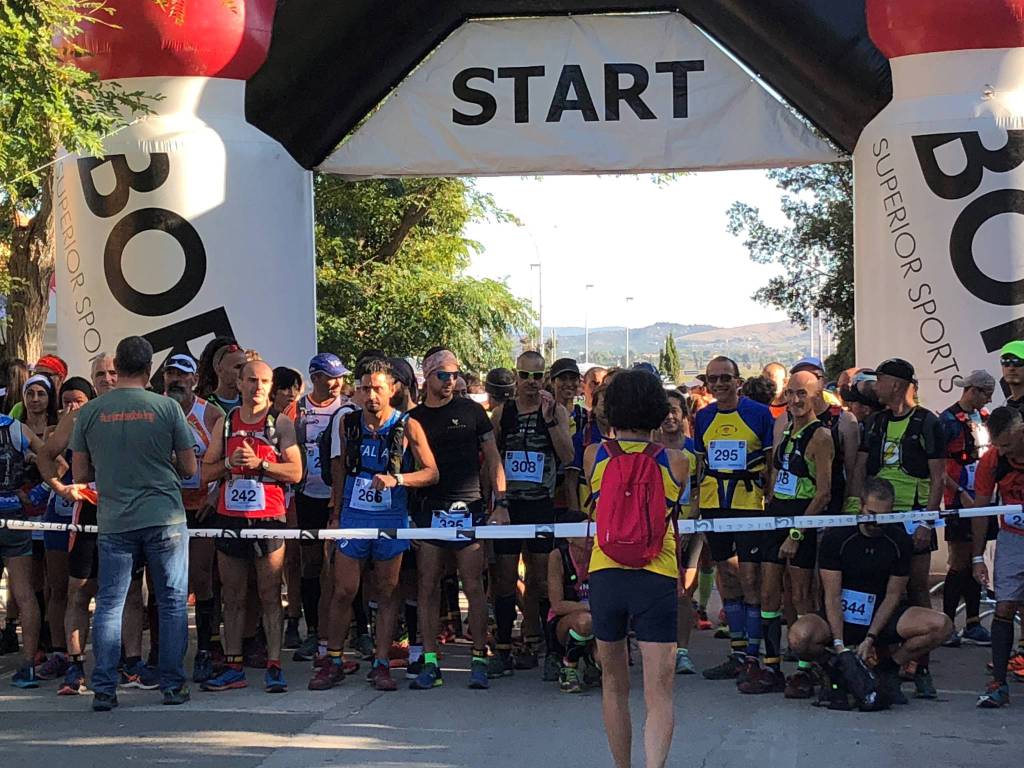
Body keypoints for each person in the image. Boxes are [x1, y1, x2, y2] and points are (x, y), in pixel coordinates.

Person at [70, 336, 197, 710]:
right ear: (148, 368)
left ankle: (104, 689)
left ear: (118, 367)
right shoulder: (168, 408)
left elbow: (80, 473)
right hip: (165, 516)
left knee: (109, 603)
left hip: (115, 519)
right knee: (172, 602)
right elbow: (190, 469)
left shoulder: (90, 412)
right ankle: (173, 685)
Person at [313, 358, 438, 692]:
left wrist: (397, 479)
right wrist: (335, 511)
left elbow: (431, 472)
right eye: (366, 388)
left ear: (392, 390)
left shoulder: (408, 425)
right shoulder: (348, 423)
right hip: (353, 516)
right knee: (343, 589)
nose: (371, 395)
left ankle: (381, 663)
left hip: (390, 517)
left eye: (378, 389)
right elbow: (339, 468)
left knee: (386, 591)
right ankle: (335, 659)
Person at [584, 369, 687, 768]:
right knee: (659, 693)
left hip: (605, 572)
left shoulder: (595, 456)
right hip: (656, 575)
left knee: (613, 684)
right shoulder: (677, 461)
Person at [787, 477, 951, 706]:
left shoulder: (899, 539)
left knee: (941, 625)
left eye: (882, 516)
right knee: (799, 636)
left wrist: (871, 637)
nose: (876, 522)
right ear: (861, 506)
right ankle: (833, 666)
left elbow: (894, 594)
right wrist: (839, 644)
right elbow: (831, 595)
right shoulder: (837, 537)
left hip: (881, 614)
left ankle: (889, 669)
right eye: (871, 514)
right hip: (841, 614)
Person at [198, 360, 304, 694]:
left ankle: (274, 665)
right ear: (240, 384)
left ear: (271, 386)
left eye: (264, 381)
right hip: (231, 518)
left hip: (269, 518)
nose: (258, 387)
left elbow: (296, 473)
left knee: (270, 594)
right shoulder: (227, 423)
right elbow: (206, 472)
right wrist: (230, 463)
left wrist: (263, 464)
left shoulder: (280, 423)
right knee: (232, 595)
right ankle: (233, 665)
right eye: (251, 380)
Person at [407, 348, 506, 690]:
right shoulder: (415, 417)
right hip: (431, 509)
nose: (450, 382)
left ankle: (479, 657)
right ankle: (431, 661)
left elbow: (493, 458)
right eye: (443, 375)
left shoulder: (471, 410)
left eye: (454, 375)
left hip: (469, 507)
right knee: (428, 584)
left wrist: (501, 501)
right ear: (428, 377)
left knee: (473, 584)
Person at [855, 357, 946, 697]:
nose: (874, 387)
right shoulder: (876, 422)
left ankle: (921, 668)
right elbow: (862, 470)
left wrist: (926, 519)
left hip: (913, 515)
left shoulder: (927, 423)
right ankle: (879, 661)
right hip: (880, 516)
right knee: (881, 585)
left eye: (878, 380)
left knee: (918, 588)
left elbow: (939, 478)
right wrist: (858, 509)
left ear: (896, 384)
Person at [740, 370, 834, 696]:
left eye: (802, 394)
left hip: (802, 515)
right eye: (791, 393)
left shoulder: (821, 436)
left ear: (816, 396)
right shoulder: (785, 428)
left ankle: (806, 669)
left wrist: (796, 534)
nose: (795, 400)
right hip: (776, 513)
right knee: (769, 594)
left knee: (801, 594)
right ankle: (772, 665)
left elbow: (823, 493)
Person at [491, 351, 574, 676]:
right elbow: (492, 458)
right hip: (511, 507)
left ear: (545, 380)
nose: (530, 383)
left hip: (542, 504)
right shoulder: (503, 412)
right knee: (505, 579)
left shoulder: (557, 411)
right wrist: (496, 503)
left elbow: (568, 456)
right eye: (525, 376)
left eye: (537, 378)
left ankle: (545, 646)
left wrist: (551, 419)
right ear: (516, 377)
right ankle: (503, 648)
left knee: (540, 580)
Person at [694, 356, 775, 682]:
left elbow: (770, 462)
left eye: (725, 378)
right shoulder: (702, 417)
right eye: (713, 379)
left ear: (738, 380)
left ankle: (754, 654)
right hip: (715, 505)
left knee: (750, 578)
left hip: (749, 505)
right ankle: (738, 652)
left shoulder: (758, 414)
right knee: (727, 576)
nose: (719, 384)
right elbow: (701, 464)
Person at [159, 353, 223, 683]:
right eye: (171, 375)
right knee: (165, 582)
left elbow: (222, 462)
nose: (176, 381)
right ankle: (161, 652)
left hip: (201, 506)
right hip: (165, 507)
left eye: (182, 376)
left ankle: (206, 650)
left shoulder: (210, 414)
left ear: (194, 380)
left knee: (201, 577)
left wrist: (212, 497)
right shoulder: (156, 409)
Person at [34, 377, 97, 685]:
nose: (72, 406)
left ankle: (113, 655)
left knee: (88, 587)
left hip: (91, 510)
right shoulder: (58, 428)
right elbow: (50, 465)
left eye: (79, 401)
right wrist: (58, 485)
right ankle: (60, 652)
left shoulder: (98, 422)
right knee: (58, 587)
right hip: (59, 512)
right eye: (67, 400)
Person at [288, 353, 348, 662]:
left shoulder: (349, 407)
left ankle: (356, 629)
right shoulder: (298, 409)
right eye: (330, 376)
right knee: (311, 563)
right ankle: (312, 631)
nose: (337, 382)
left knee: (344, 564)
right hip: (308, 495)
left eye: (340, 376)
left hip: (341, 495)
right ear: (316, 378)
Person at [972, 406, 1024, 707]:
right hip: (1013, 539)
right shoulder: (993, 459)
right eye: (997, 444)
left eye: (1007, 444)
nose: (1001, 450)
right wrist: (978, 556)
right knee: (1004, 607)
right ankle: (999, 683)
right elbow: (980, 508)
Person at [939, 370, 995, 648]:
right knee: (959, 561)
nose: (989, 399)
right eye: (986, 393)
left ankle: (972, 622)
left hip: (983, 497)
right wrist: (959, 493)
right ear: (972, 390)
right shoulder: (947, 420)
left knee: (977, 557)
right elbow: (938, 468)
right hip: (958, 500)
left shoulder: (984, 417)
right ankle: (947, 624)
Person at [0, 404, 46, 687]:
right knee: (25, 593)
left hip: (15, 517)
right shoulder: (16, 428)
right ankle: (28, 665)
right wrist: (36, 495)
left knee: (25, 594)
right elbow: (57, 463)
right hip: (15, 517)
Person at [657, 389, 700, 675]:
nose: (670, 416)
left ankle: (682, 651)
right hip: (658, 531)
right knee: (658, 590)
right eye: (664, 410)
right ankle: (660, 649)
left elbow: (698, 492)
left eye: (675, 410)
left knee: (684, 590)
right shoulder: (651, 451)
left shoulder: (695, 452)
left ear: (684, 415)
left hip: (689, 527)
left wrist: (686, 525)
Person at [546, 531, 595, 693]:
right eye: (584, 531)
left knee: (605, 662)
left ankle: (592, 661)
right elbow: (557, 606)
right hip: (565, 622)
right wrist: (592, 606)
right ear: (569, 537)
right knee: (585, 621)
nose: (591, 535)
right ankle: (569, 667)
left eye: (593, 530)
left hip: (600, 620)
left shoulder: (601, 553)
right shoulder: (558, 556)